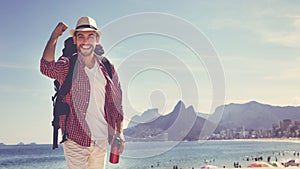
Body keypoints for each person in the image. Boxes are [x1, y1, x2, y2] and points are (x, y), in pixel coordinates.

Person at [40, 16, 124, 169]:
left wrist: (119, 132)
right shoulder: (68, 65)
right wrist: (55, 36)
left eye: (90, 36)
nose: (85, 41)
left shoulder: (108, 68)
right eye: (81, 36)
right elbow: (46, 67)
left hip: (101, 139)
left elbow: (116, 103)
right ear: (75, 40)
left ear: (97, 39)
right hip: (75, 138)